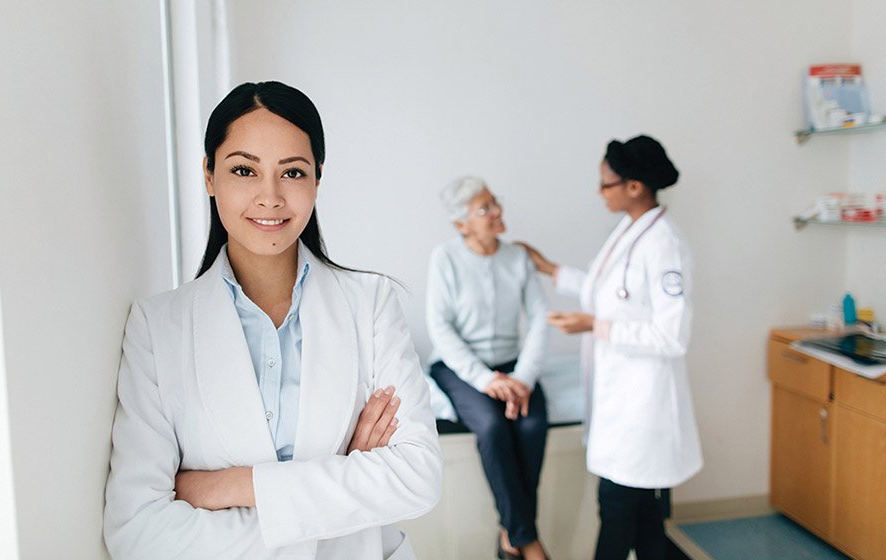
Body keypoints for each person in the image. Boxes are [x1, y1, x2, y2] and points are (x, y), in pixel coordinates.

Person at [103, 81, 442, 559]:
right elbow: (137, 533)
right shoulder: (157, 327)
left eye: (293, 172)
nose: (270, 197)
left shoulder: (370, 303)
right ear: (208, 175)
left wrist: (233, 487)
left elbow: (418, 477)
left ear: (317, 180)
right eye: (244, 170)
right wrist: (343, 492)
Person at [519, 136, 702, 560]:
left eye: (606, 184)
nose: (600, 192)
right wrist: (550, 268)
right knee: (639, 515)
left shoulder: (665, 246)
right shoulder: (630, 229)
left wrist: (595, 326)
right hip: (620, 398)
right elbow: (609, 293)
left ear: (634, 186)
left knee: (619, 508)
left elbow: (671, 336)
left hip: (643, 403)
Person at [426, 177, 550, 560]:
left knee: (531, 425)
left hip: (513, 366)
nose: (496, 211)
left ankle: (510, 535)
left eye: (494, 202)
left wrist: (522, 378)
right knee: (493, 427)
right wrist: (484, 379)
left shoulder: (517, 258)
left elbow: (541, 320)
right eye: (484, 209)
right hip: (458, 366)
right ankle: (527, 542)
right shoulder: (445, 258)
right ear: (462, 224)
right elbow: (440, 327)